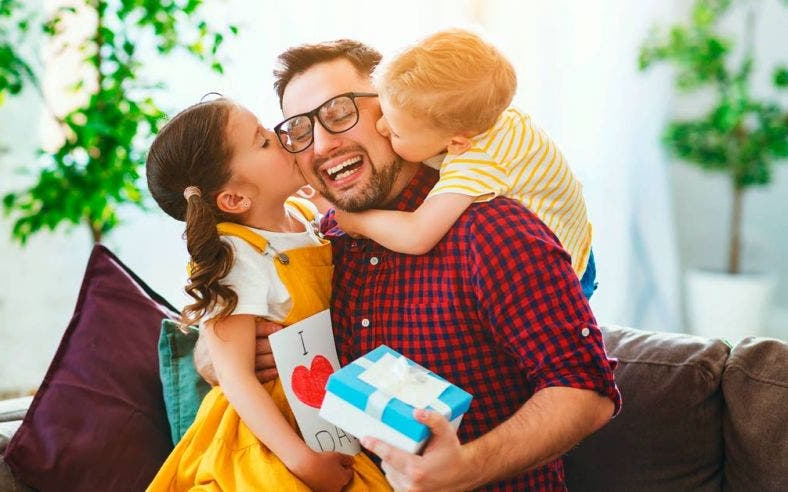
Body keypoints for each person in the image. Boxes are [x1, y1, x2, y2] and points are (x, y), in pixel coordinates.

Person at [197, 39, 621, 491]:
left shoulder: (490, 227)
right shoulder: (323, 246)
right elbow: (226, 319)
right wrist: (218, 356)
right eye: (299, 131)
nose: (322, 144)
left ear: (391, 110)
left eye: (340, 113)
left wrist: (467, 467)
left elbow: (585, 390)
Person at [143, 97, 389, 491]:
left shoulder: (306, 217)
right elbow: (236, 376)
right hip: (270, 439)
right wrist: (303, 461)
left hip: (324, 414)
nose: (280, 135)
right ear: (236, 199)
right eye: (262, 141)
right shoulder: (237, 254)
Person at [323, 29, 597, 298]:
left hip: (564, 271)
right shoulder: (484, 112)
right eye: (384, 112)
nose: (381, 127)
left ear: (456, 144)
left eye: (396, 132)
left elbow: (417, 234)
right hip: (577, 232)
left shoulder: (477, 162)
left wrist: (357, 221)